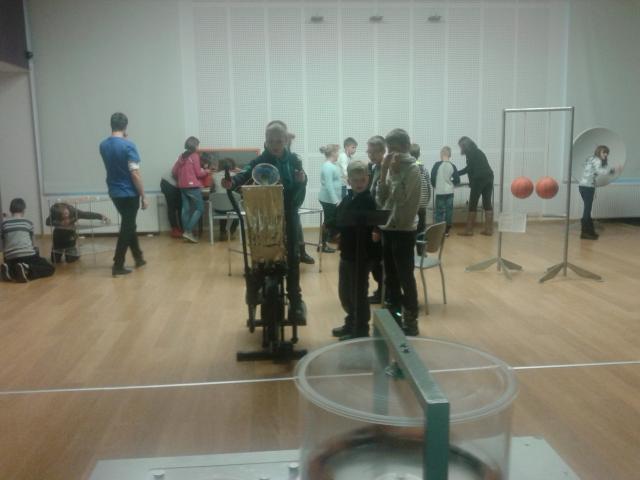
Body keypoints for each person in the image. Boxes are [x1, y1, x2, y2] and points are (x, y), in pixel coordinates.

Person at [221, 121, 308, 325]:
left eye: (279, 140)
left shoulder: (294, 160)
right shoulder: (259, 161)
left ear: (285, 140)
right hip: (264, 214)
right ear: (266, 141)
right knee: (261, 253)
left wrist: (301, 180)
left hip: (288, 212)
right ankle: (255, 288)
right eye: (271, 141)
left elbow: (301, 181)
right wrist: (232, 182)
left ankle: (295, 299)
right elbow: (244, 174)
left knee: (293, 256)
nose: (275, 144)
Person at [376, 129, 422, 336]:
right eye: (389, 149)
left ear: (405, 147)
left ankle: (411, 320)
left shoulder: (413, 170)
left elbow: (401, 198)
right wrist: (384, 172)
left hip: (404, 230)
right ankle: (394, 317)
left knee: (405, 277)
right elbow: (382, 199)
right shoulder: (390, 167)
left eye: (394, 149)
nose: (391, 153)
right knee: (390, 278)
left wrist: (393, 173)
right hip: (388, 228)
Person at [330, 161, 378, 340]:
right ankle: (351, 322)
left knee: (358, 293)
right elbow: (338, 218)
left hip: (362, 254)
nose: (359, 183)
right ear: (348, 180)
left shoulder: (368, 200)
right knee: (345, 293)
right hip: (348, 252)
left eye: (362, 180)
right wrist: (333, 229)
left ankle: (361, 329)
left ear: (368, 179)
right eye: (355, 180)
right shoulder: (348, 198)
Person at [99, 112, 148, 276]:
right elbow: (135, 174)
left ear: (111, 125)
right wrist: (143, 196)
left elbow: (115, 153)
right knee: (127, 227)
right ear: (125, 126)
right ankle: (118, 264)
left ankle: (138, 257)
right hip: (129, 193)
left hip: (114, 192)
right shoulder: (129, 146)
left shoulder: (103, 145)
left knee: (129, 224)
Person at [1, 198, 55, 283]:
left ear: (11, 210)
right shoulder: (28, 223)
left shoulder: (4, 224)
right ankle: (27, 269)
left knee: (15, 264)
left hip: (10, 258)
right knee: (50, 268)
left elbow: (2, 243)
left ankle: (9, 270)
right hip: (27, 256)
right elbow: (33, 243)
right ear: (23, 210)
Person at [172, 136, 209, 243]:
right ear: (195, 145)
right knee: (200, 209)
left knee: (186, 210)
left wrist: (183, 177)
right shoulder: (194, 156)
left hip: (182, 186)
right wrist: (206, 171)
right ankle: (188, 231)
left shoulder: (181, 156)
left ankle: (187, 233)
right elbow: (198, 173)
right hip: (192, 186)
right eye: (198, 145)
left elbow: (174, 171)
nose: (198, 147)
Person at [457, 136, 494, 236]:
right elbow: (473, 168)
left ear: (464, 146)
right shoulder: (478, 151)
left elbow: (469, 169)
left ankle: (469, 230)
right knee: (487, 203)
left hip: (479, 179)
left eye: (460, 147)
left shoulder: (470, 154)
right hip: (489, 177)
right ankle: (489, 230)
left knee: (472, 204)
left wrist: (457, 173)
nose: (460, 149)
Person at [579, 145, 616, 240]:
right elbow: (600, 171)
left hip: (582, 186)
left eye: (607, 153)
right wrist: (612, 170)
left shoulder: (590, 159)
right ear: (599, 152)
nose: (606, 154)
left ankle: (589, 232)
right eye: (604, 152)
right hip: (588, 187)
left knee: (587, 209)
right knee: (587, 210)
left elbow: (590, 169)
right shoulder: (597, 160)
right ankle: (585, 233)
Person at [365, 135, 386, 304]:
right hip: (374, 219)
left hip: (381, 221)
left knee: (377, 260)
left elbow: (383, 202)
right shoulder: (375, 168)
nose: (370, 155)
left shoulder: (386, 169)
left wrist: (377, 228)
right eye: (369, 152)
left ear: (382, 151)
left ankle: (384, 291)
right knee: (375, 259)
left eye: (373, 152)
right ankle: (382, 289)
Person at [430, 146, 460, 237]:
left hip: (440, 192)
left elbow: (433, 178)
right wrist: (451, 183)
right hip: (450, 192)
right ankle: (446, 231)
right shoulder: (452, 165)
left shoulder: (437, 165)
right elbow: (457, 180)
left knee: (439, 211)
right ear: (449, 155)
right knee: (449, 211)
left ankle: (439, 231)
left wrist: (435, 185)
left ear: (441, 154)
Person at [317, 144, 341, 253]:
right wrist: (335, 200)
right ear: (333, 153)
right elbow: (329, 185)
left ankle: (326, 242)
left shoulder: (331, 165)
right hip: (328, 199)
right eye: (337, 152)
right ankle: (322, 245)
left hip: (330, 199)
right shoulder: (328, 166)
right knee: (328, 221)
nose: (338, 154)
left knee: (331, 221)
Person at [410, 143, 432, 255]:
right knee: (422, 228)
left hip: (412, 204)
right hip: (423, 203)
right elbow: (428, 185)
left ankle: (410, 250)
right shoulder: (424, 168)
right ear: (419, 154)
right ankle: (421, 251)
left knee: (411, 227)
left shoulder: (408, 168)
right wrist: (427, 200)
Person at [212, 157, 240, 240]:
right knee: (236, 210)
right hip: (232, 208)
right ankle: (232, 232)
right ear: (231, 166)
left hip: (219, 208)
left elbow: (212, 191)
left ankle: (222, 233)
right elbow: (237, 190)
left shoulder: (214, 176)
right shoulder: (235, 175)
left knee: (223, 206)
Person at [160, 169, 182, 238]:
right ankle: (175, 230)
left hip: (174, 185)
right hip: (168, 184)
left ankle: (182, 229)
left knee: (180, 207)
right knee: (172, 207)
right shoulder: (186, 163)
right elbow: (175, 172)